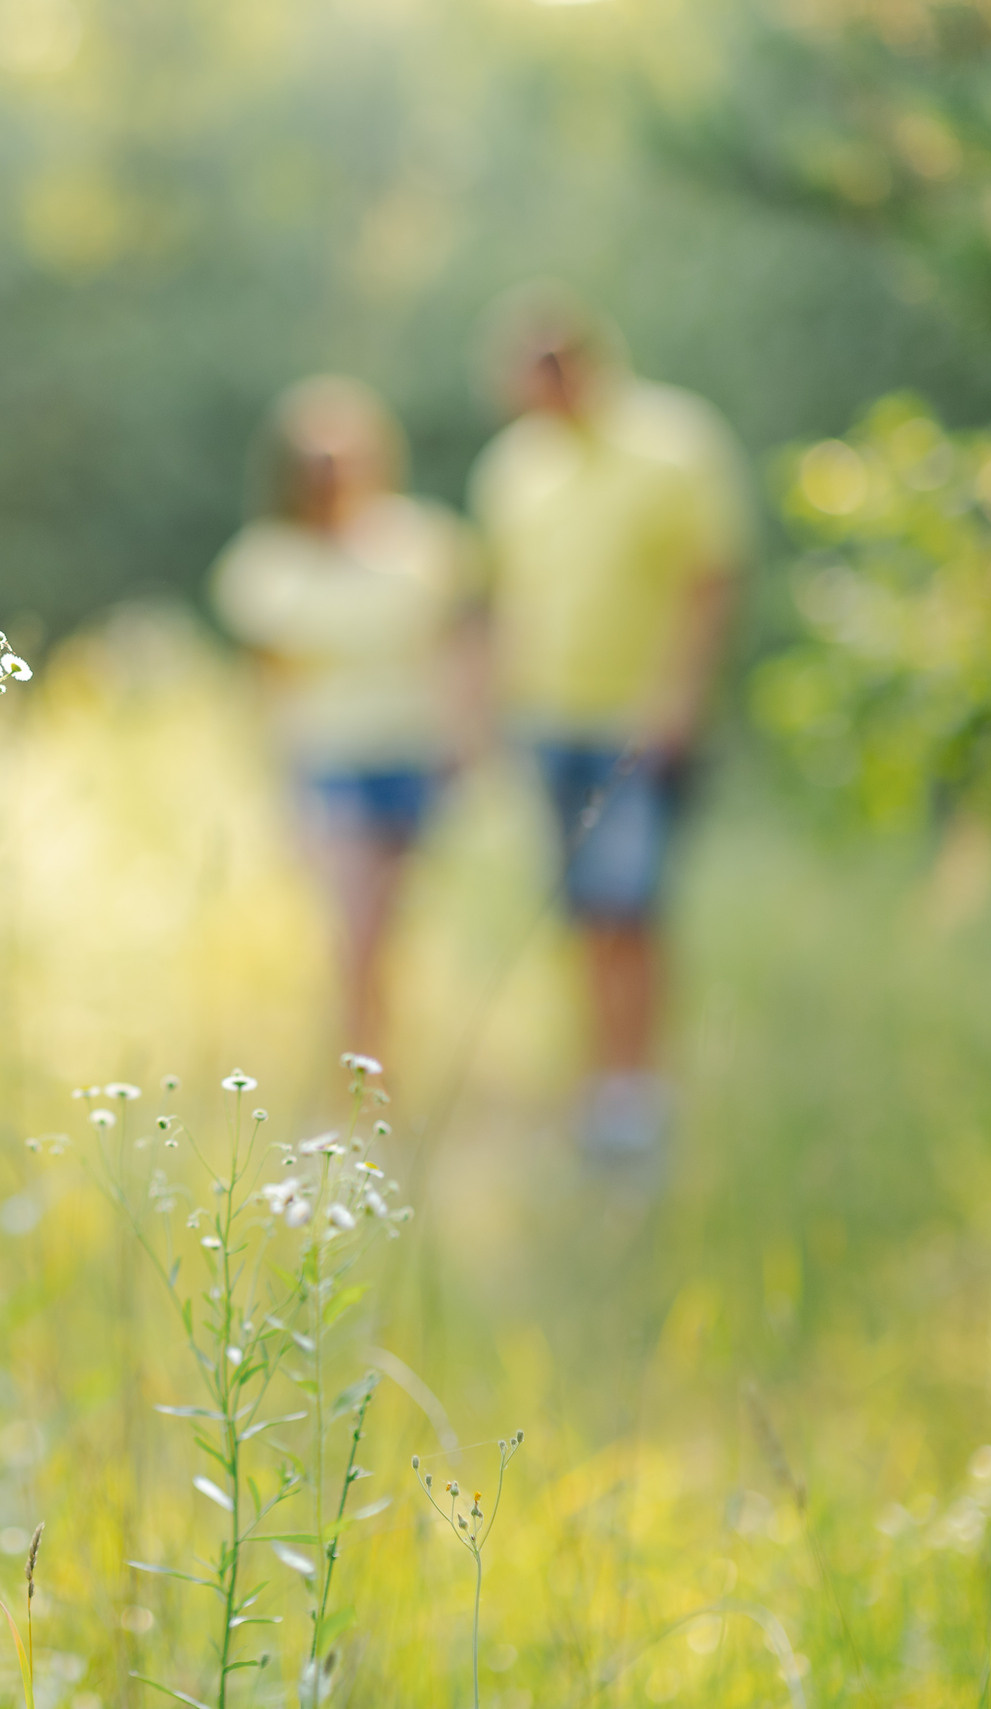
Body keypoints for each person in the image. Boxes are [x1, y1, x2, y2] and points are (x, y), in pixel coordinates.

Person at [468, 285, 751, 1169]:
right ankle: (599, 1083)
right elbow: (506, 599)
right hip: (547, 722)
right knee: (581, 912)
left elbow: (711, 579)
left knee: (630, 905)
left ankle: (635, 1094)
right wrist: (491, 714)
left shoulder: (674, 442)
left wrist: (680, 698)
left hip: (639, 725)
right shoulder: (512, 467)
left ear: (577, 365)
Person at [212, 376, 485, 1058]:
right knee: (354, 932)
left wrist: (470, 739)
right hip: (329, 761)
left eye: (343, 459)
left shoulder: (423, 544)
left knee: (389, 935)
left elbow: (461, 646)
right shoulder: (267, 563)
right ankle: (359, 1090)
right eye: (315, 464)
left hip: (416, 757)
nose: (331, 476)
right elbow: (265, 687)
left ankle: (379, 1073)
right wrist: (279, 787)